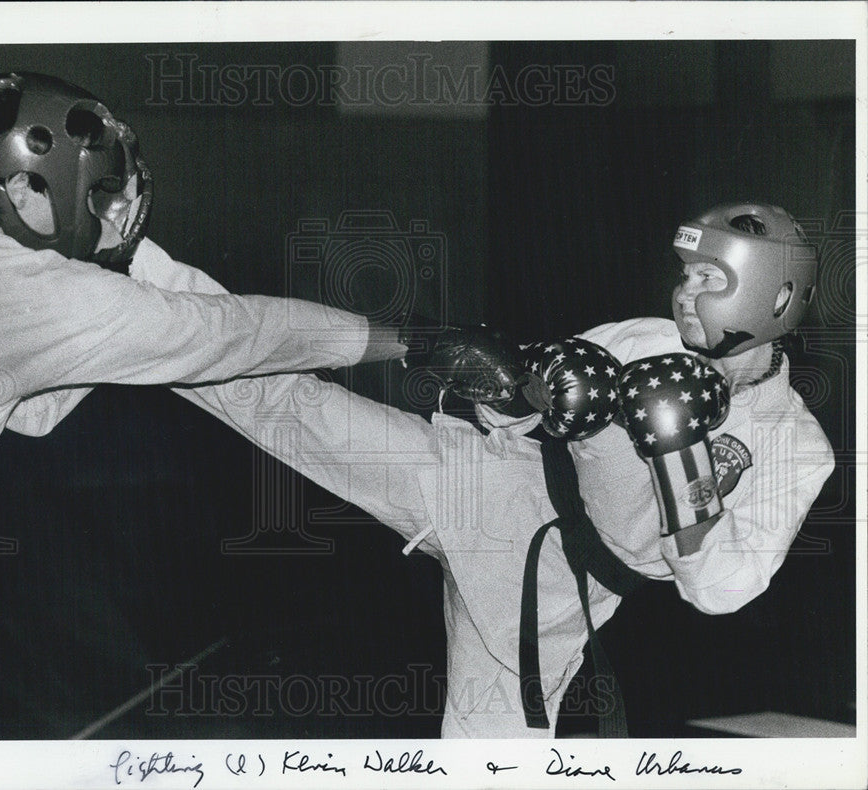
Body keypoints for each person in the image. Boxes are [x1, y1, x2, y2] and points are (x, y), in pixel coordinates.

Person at [102, 201, 833, 738]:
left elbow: (722, 592)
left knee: (487, 769)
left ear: (769, 296)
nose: (684, 292)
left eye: (709, 278)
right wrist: (517, 391)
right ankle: (131, 265)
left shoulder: (796, 446)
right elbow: (521, 413)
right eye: (685, 273)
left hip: (552, 593)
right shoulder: (645, 337)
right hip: (480, 479)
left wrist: (680, 458)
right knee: (287, 404)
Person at [0, 71, 413, 740]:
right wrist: (402, 341)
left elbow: (28, 412)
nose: (106, 215)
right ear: (25, 188)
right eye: (96, 194)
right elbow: (230, 333)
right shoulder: (22, 287)